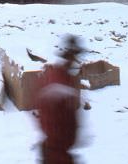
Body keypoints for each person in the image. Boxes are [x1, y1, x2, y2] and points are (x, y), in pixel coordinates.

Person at [36, 34, 83, 164]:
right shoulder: (57, 82)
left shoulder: (64, 78)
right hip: (56, 154)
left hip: (59, 151)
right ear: (67, 56)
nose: (75, 60)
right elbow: (51, 123)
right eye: (73, 55)